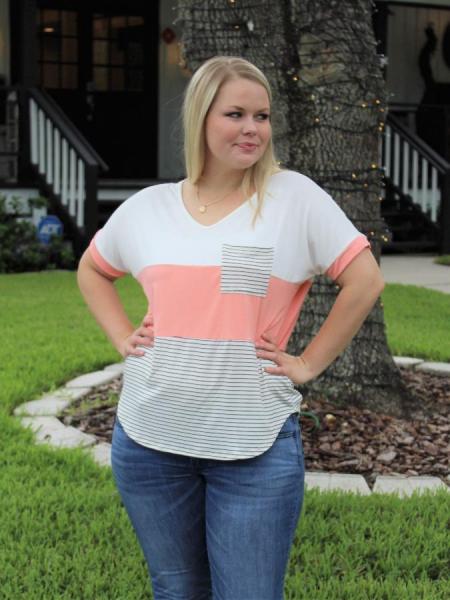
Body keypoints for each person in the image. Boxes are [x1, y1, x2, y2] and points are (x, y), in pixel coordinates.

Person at [77, 55, 384, 600]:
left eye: (262, 116)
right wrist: (123, 336)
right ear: (201, 118)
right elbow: (94, 270)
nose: (252, 129)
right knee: (176, 591)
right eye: (235, 114)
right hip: (149, 440)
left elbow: (364, 282)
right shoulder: (149, 208)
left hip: (254, 447)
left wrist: (308, 363)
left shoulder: (293, 198)